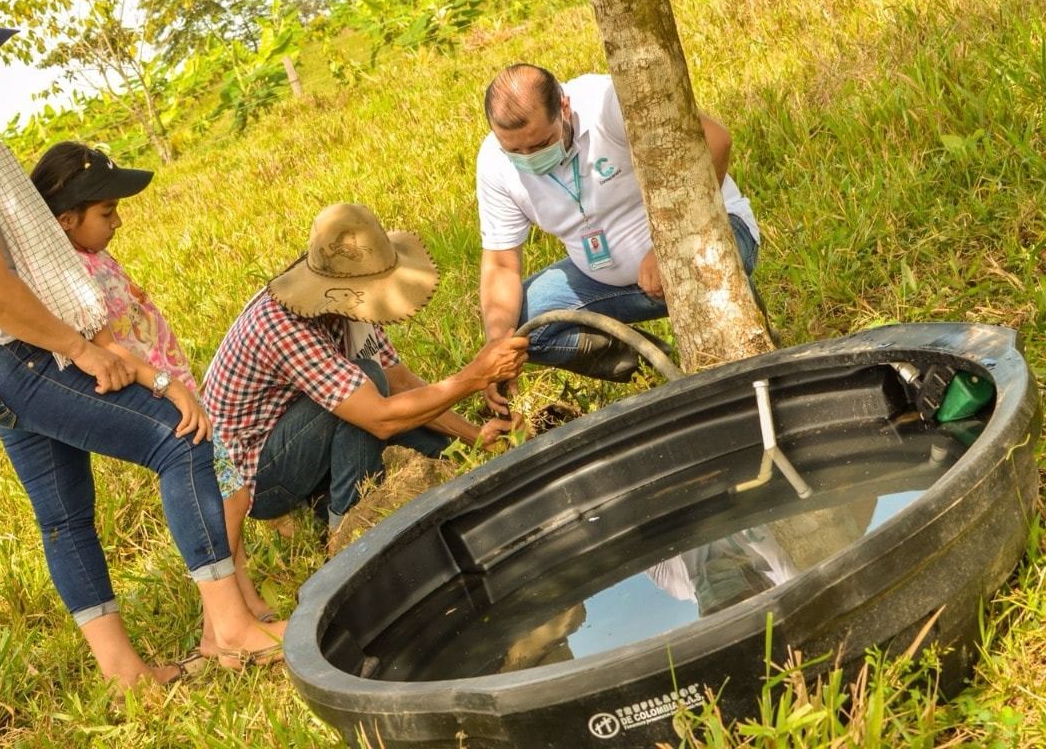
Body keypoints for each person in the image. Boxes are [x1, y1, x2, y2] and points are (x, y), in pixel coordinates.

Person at [0, 0, 284, 691]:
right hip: (8, 353)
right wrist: (86, 349)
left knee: (64, 516)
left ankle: (127, 678)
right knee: (179, 438)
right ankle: (233, 632)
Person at [29, 140, 276, 634]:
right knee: (229, 496)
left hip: (176, 384)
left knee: (227, 489)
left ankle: (244, 599)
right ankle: (218, 623)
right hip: (161, 393)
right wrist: (164, 386)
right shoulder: (71, 273)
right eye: (106, 211)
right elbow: (104, 347)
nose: (116, 221)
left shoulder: (94, 256)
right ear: (64, 219)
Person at [201, 203, 528, 543]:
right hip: (258, 473)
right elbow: (380, 418)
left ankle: (325, 495)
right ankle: (347, 529)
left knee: (437, 447)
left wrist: (474, 436)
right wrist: (474, 376)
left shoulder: (349, 307)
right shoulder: (283, 326)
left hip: (303, 428)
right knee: (368, 381)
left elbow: (400, 383)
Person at [476, 63, 761, 413]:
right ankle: (655, 363)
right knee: (519, 328)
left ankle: (741, 339)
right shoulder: (494, 161)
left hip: (704, 237)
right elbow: (501, 265)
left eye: (540, 144)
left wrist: (671, 243)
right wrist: (497, 349)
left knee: (704, 284)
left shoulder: (608, 103)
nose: (529, 158)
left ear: (564, 107)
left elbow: (716, 140)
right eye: (515, 152)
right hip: (612, 282)